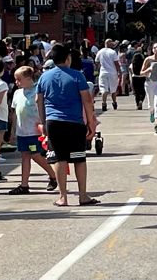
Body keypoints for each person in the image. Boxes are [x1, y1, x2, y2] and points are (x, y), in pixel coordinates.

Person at [35, 44, 99, 207]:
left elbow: (38, 100)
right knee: (79, 158)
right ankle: (83, 195)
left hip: (53, 122)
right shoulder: (77, 76)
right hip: (74, 122)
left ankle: (63, 196)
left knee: (59, 158)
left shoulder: (44, 77)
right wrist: (91, 123)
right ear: (68, 58)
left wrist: (43, 122)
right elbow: (87, 100)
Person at [7, 66, 56, 195]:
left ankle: (53, 175)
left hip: (34, 131)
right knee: (25, 156)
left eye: (19, 79)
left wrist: (44, 125)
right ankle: (24, 185)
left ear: (29, 78)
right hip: (22, 131)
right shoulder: (17, 93)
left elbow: (43, 109)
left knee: (35, 155)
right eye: (15, 80)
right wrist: (12, 132)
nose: (17, 82)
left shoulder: (37, 91)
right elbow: (15, 113)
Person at [95, 39, 120, 112]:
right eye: (111, 42)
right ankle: (114, 103)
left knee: (103, 89)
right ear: (109, 43)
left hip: (103, 72)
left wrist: (98, 69)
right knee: (113, 89)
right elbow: (116, 63)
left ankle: (104, 103)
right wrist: (119, 71)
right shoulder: (113, 52)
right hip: (112, 73)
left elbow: (96, 62)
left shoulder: (100, 52)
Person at [129, 41, 147, 111]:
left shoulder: (133, 62)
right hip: (142, 76)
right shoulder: (143, 61)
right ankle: (141, 101)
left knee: (136, 92)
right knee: (142, 91)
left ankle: (137, 104)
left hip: (134, 77)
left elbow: (130, 69)